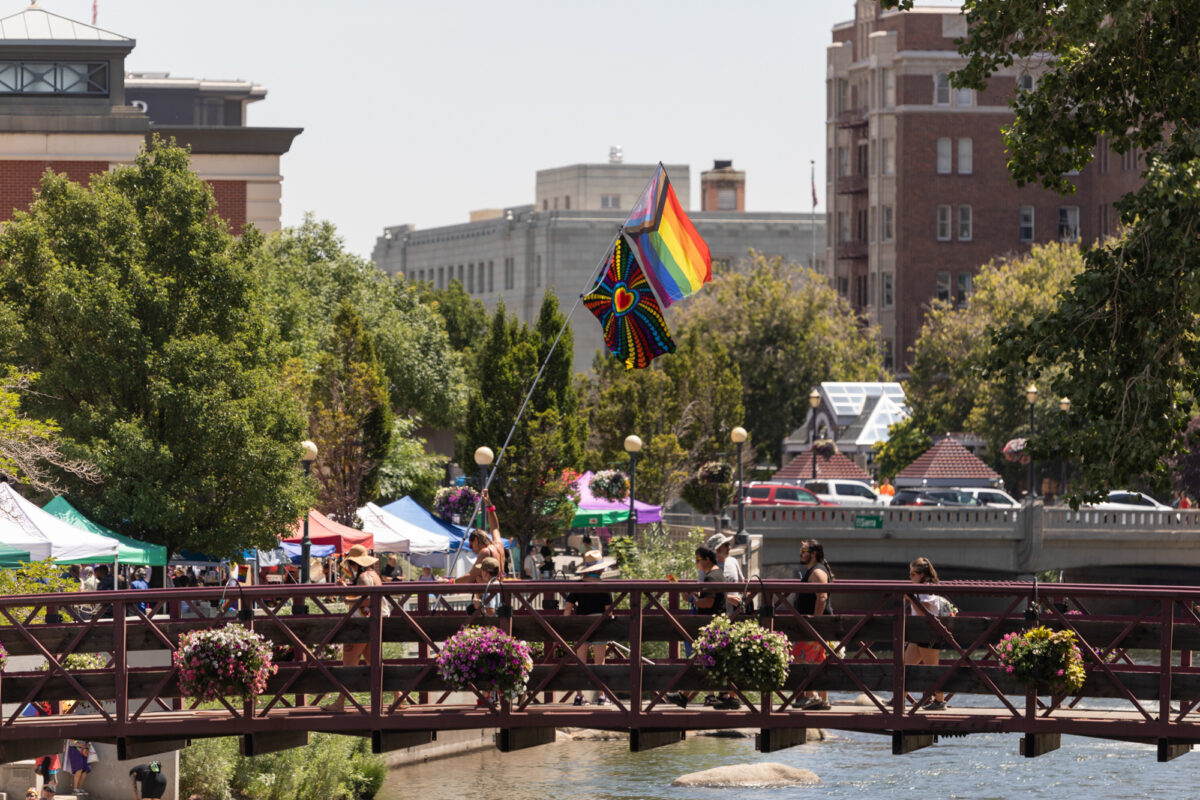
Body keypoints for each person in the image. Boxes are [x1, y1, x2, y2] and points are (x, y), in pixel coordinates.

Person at [323, 544, 381, 711]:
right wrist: (348, 591)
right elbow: (367, 597)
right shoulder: (374, 575)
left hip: (359, 627)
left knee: (348, 665)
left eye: (351, 564)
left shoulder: (363, 577)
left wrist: (346, 598)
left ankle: (340, 703)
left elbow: (367, 600)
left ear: (355, 563)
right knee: (374, 663)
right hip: (372, 625)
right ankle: (398, 696)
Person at [564, 551, 615, 705]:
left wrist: (568, 625)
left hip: (581, 628)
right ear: (600, 569)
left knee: (581, 662)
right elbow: (609, 613)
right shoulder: (604, 587)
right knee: (600, 663)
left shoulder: (578, 585)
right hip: (599, 627)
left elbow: (567, 609)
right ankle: (601, 696)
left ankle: (579, 697)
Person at [792, 539, 833, 711]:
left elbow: (822, 597)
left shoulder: (817, 572)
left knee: (801, 658)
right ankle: (823, 700)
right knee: (818, 661)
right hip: (817, 625)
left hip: (814, 625)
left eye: (804, 550)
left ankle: (811, 697)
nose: (800, 553)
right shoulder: (815, 570)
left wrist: (814, 621)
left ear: (813, 553)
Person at [905, 557, 948, 711]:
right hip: (919, 633)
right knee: (905, 667)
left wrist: (911, 600)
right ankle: (898, 697)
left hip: (928, 632)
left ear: (921, 574)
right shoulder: (922, 588)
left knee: (932, 668)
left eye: (913, 574)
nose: (910, 578)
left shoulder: (925, 588)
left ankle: (940, 701)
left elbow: (924, 611)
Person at [446, 490, 505, 584]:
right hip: (499, 589)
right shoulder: (499, 545)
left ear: (476, 540)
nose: (472, 550)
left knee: (478, 576)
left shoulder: (485, 551)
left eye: (471, 545)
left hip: (489, 592)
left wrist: (450, 582)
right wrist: (489, 505)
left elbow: (469, 577)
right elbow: (495, 528)